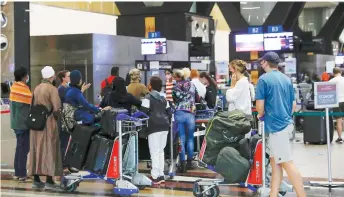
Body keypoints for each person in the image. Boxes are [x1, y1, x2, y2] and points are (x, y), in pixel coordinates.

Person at [255, 52, 306, 197]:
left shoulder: (263, 80)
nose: (261, 65)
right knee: (275, 163)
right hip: (286, 125)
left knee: (287, 163)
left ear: (265, 63)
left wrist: (261, 113)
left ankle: (302, 195)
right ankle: (273, 194)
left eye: (261, 62)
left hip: (276, 128)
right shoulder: (286, 79)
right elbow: (293, 106)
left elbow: (259, 107)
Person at [28, 66, 62, 189]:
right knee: (50, 148)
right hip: (48, 123)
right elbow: (57, 107)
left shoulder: (36, 88)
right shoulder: (52, 89)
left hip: (36, 124)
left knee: (36, 149)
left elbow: (32, 104)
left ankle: (36, 179)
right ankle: (49, 180)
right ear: (51, 76)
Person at [141, 76, 172, 184]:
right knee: (161, 151)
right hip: (165, 126)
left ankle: (155, 176)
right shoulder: (163, 98)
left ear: (150, 85)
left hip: (154, 126)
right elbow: (169, 112)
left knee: (154, 152)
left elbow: (143, 113)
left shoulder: (147, 98)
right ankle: (161, 174)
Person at [172, 69, 200, 172]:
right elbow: (197, 98)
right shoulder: (192, 84)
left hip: (179, 113)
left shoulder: (175, 87)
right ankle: (189, 163)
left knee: (181, 140)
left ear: (177, 77)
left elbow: (174, 100)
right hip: (190, 113)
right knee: (190, 139)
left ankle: (182, 165)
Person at [9, 67, 32, 182]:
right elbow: (31, 101)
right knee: (23, 149)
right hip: (23, 124)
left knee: (19, 148)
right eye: (27, 75)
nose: (28, 77)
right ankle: (22, 174)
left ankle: (17, 173)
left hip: (16, 123)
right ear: (24, 76)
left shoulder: (14, 87)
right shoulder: (23, 89)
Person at [330, 67, 344, 143]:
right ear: (340, 72)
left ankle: (340, 138)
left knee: (339, 120)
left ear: (333, 73)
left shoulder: (331, 81)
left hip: (337, 102)